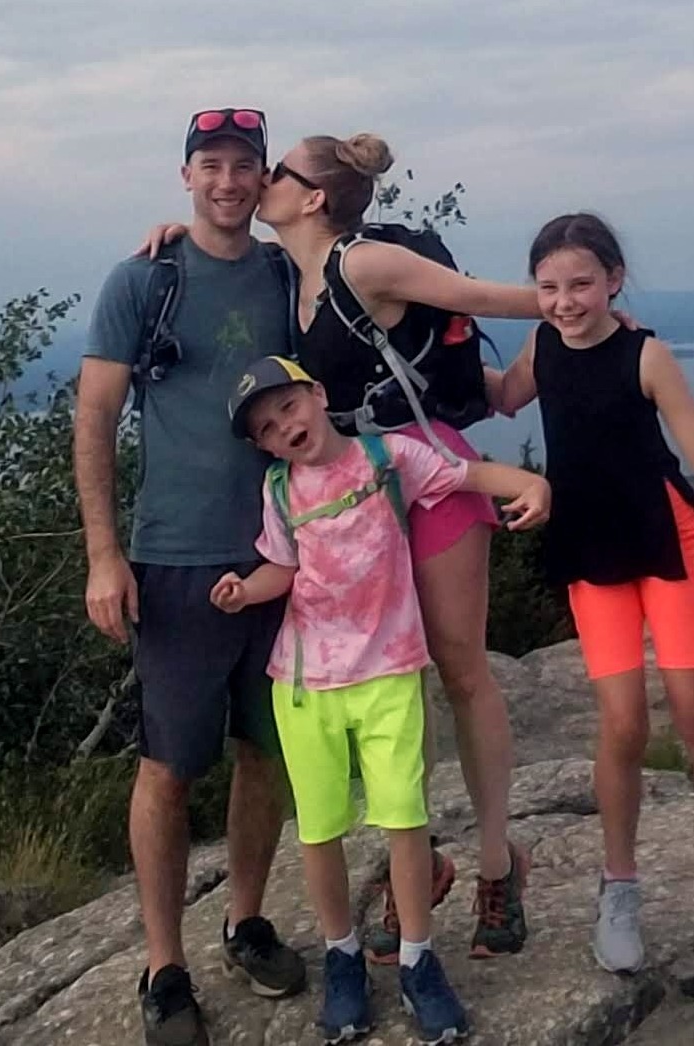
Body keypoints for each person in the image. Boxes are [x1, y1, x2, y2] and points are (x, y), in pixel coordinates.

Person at [487, 213, 694, 975]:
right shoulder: (542, 348)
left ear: (614, 280)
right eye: (548, 288)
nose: (565, 301)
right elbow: (500, 397)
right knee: (623, 723)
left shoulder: (645, 354)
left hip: (668, 539)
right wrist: (420, 334)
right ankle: (619, 887)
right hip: (589, 545)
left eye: (581, 284)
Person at [252, 132, 545, 964]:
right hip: (353, 496)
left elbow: (481, 297)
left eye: (277, 171)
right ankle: (421, 863)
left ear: (312, 197)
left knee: (459, 668)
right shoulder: (294, 277)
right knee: (391, 682)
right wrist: (170, 234)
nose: (263, 180)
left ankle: (497, 864)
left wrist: (570, 300)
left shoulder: (363, 262)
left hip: (429, 477)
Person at [214, 355, 551, 1043]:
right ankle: (341, 956)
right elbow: (282, 566)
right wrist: (246, 591)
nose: (284, 427)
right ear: (263, 447)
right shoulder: (279, 491)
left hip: (389, 673)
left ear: (318, 393)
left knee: (404, 820)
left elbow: (464, 475)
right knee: (319, 830)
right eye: (267, 428)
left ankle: (419, 960)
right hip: (305, 684)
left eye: (288, 407)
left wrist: (529, 482)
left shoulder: (388, 457)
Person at [73, 106, 305, 1046]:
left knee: (266, 751)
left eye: (243, 165)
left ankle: (245, 920)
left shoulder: (290, 273)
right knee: (168, 767)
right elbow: (95, 416)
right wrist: (103, 554)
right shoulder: (143, 280)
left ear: (264, 179)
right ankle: (163, 967)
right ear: (185, 177)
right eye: (210, 165)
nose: (226, 181)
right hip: (174, 555)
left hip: (283, 553)